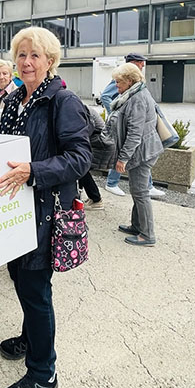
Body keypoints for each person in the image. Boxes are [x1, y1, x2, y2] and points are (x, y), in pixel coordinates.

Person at [0, 26, 92, 388]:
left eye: (35, 55)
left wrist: (34, 171)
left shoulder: (62, 101)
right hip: (14, 208)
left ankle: (43, 372)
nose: (26, 62)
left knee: (35, 290)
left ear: (50, 61)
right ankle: (30, 337)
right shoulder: (15, 98)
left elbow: (81, 158)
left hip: (44, 212)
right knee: (20, 278)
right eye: (21, 54)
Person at [108, 62, 164, 247]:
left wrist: (123, 158)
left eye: (118, 82)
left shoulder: (137, 98)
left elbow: (135, 133)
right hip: (143, 150)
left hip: (142, 152)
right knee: (137, 189)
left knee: (140, 192)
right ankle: (137, 226)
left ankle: (147, 235)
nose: (116, 85)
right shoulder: (135, 93)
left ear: (130, 81)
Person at [101, 53, 165, 198]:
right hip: (139, 142)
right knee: (139, 192)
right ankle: (112, 183)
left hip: (143, 144)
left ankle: (146, 187)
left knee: (139, 191)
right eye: (140, 64)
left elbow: (135, 132)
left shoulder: (137, 92)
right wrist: (116, 114)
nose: (142, 67)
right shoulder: (127, 82)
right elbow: (105, 96)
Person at [79, 105, 105, 210]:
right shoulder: (81, 106)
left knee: (81, 169)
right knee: (81, 169)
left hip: (97, 140)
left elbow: (87, 128)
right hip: (95, 138)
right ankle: (92, 197)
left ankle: (96, 199)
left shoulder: (80, 109)